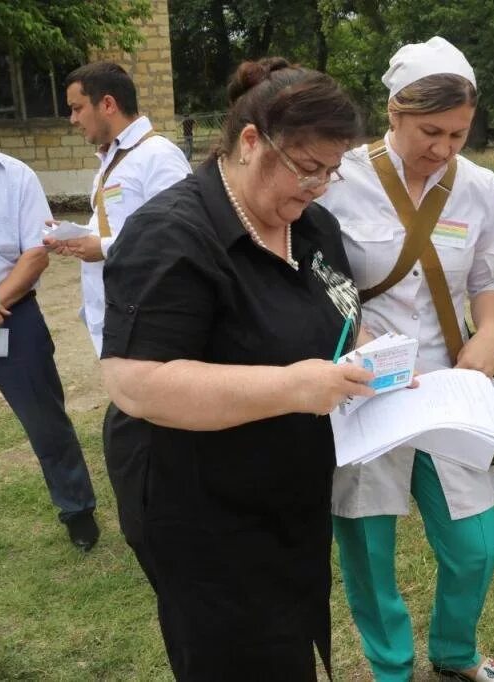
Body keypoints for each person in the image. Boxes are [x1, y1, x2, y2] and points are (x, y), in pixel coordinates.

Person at [98, 57, 374, 680]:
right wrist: (295, 386)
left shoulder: (312, 225)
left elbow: (337, 311)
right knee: (234, 652)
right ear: (251, 141)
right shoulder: (171, 235)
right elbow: (135, 381)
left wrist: (367, 358)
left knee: (286, 637)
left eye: (331, 173)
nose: (316, 187)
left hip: (287, 489)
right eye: (307, 169)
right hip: (200, 504)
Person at [318, 37, 494, 682]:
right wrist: (355, 335)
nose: (443, 148)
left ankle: (454, 650)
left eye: (458, 133)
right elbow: (309, 273)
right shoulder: (338, 177)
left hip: (448, 381)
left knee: (475, 542)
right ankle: (391, 667)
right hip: (363, 380)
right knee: (369, 542)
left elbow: (489, 276)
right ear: (394, 113)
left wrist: (486, 335)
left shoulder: (480, 187)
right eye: (430, 131)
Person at [0, 62, 98, 557]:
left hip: (16, 318)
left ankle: (77, 509)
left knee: (46, 422)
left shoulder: (17, 177)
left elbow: (36, 253)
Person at [44, 62, 190, 357]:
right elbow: (120, 225)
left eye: (77, 108)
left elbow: (181, 235)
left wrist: (104, 247)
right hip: (121, 315)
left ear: (107, 104)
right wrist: (75, 236)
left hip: (150, 319)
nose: (72, 119)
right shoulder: (113, 158)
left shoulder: (158, 156)